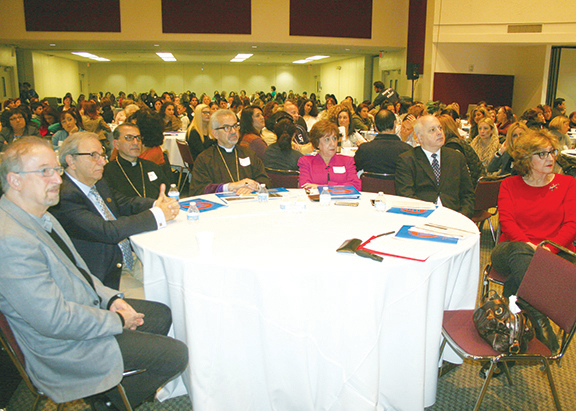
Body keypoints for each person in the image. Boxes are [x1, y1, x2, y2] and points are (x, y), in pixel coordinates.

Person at [0, 136, 188, 410]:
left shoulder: (42, 215)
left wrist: (112, 299)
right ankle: (105, 404)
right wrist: (114, 319)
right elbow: (53, 320)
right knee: (176, 355)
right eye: (44, 171)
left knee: (160, 314)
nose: (57, 180)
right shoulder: (10, 240)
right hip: (63, 346)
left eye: (57, 170)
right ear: (14, 180)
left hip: (79, 311)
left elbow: (80, 273)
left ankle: (116, 392)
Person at [49, 132, 180, 290]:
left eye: (102, 155)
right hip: (106, 275)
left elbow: (125, 202)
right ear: (71, 161)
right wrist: (157, 214)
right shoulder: (64, 196)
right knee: (162, 301)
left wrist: (155, 204)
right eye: (93, 155)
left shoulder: (96, 182)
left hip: (128, 258)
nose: (102, 162)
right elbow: (107, 231)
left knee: (176, 284)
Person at [490, 129, 576, 354]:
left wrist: (546, 249)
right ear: (527, 159)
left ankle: (510, 327)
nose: (551, 158)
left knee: (521, 275)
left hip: (554, 252)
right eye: (542, 154)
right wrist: (529, 246)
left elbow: (572, 225)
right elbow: (507, 223)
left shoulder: (567, 184)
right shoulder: (509, 184)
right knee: (521, 254)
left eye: (552, 152)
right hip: (512, 249)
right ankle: (538, 317)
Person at [395, 115, 475, 217]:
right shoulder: (407, 160)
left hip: (454, 216)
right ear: (420, 137)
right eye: (432, 130)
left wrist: (462, 216)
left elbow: (468, 194)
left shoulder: (456, 158)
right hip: (422, 217)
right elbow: (406, 196)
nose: (439, 132)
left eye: (440, 128)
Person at [191, 109, 271, 196]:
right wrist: (230, 187)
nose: (233, 131)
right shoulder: (205, 159)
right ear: (215, 134)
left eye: (235, 126)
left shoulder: (249, 154)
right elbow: (199, 190)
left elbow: (265, 180)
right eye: (226, 128)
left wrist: (255, 186)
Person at [103, 123, 169, 200]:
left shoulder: (153, 167)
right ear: (116, 144)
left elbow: (169, 193)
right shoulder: (107, 172)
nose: (135, 143)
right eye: (129, 138)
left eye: (138, 138)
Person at [297, 120, 361, 190]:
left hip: (342, 200)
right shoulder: (306, 162)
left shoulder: (347, 161)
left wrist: (322, 187)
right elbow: (304, 186)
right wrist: (340, 187)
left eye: (334, 138)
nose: (333, 144)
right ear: (317, 143)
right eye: (327, 139)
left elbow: (356, 186)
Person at [354, 109, 411, 175]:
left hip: (371, 185)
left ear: (375, 127)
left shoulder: (364, 149)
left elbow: (353, 170)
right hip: (397, 185)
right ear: (395, 124)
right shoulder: (407, 150)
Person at [438, 114, 485, 186]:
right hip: (475, 182)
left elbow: (453, 176)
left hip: (472, 187)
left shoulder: (452, 146)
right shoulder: (457, 141)